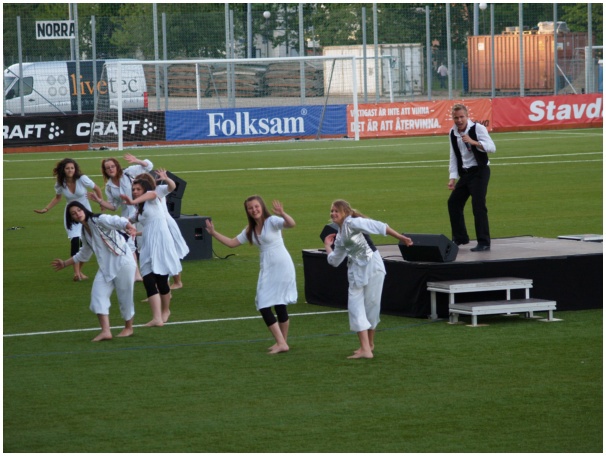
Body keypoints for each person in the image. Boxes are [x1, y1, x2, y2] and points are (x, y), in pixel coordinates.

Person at [205, 196, 297, 355]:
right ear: (247, 211)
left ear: (262, 206)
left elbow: (291, 224)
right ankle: (281, 342)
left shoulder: (272, 221)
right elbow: (232, 243)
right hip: (267, 267)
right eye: (250, 208)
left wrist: (282, 213)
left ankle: (282, 342)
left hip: (282, 265)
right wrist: (213, 233)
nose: (254, 210)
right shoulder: (250, 230)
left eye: (256, 206)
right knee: (266, 302)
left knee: (275, 303)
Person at [323, 199, 413, 359]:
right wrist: (327, 246)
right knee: (355, 306)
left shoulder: (353, 223)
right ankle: (366, 348)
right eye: (332, 211)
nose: (333, 213)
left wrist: (401, 237)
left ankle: (368, 346)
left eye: (336, 211)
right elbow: (335, 261)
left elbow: (379, 226)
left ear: (345, 212)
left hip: (372, 266)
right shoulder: (340, 236)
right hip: (356, 272)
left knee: (372, 305)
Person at [51, 201, 138, 342]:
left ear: (84, 209)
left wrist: (129, 226)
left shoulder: (99, 219)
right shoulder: (84, 231)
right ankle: (106, 331)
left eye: (79, 210)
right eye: (73, 213)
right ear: (71, 218)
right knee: (98, 295)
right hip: (105, 267)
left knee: (125, 297)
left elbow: (116, 220)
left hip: (123, 262)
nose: (77, 214)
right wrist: (65, 263)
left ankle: (128, 328)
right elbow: (84, 253)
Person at [121, 169, 182, 327]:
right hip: (148, 244)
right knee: (148, 279)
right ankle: (156, 318)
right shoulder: (139, 209)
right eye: (133, 189)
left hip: (161, 242)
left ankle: (166, 311)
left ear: (145, 189)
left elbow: (164, 189)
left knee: (161, 280)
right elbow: (128, 220)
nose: (135, 191)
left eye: (138, 189)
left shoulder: (154, 198)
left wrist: (166, 179)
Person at [88, 154, 154, 281]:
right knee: (130, 244)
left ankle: (154, 272)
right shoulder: (109, 186)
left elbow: (149, 166)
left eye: (112, 166)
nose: (111, 169)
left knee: (146, 242)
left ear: (117, 167)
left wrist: (136, 160)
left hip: (142, 212)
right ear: (105, 171)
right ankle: (137, 274)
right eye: (108, 168)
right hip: (127, 217)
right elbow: (113, 206)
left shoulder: (128, 173)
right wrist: (99, 201)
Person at [35, 158, 103, 282]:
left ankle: (79, 271)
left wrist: (101, 202)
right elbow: (57, 198)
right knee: (75, 240)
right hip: (71, 215)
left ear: (75, 169)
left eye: (72, 168)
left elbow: (97, 188)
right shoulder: (60, 183)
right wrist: (46, 209)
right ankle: (76, 273)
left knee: (88, 243)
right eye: (67, 168)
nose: (70, 170)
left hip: (85, 214)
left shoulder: (82, 179)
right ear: (63, 170)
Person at [447, 103, 496, 252]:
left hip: (480, 171)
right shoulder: (452, 132)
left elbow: (492, 147)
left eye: (462, 117)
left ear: (467, 116)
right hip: (466, 173)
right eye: (456, 118)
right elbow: (453, 156)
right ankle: (460, 237)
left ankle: (484, 242)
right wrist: (452, 177)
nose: (459, 120)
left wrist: (473, 142)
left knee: (478, 205)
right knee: (453, 202)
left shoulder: (477, 128)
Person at [135, 172, 189, 290]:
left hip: (164, 224)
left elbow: (172, 187)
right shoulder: (140, 197)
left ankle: (168, 286)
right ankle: (164, 289)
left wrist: (166, 178)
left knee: (165, 254)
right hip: (154, 224)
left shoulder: (157, 190)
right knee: (163, 254)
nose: (135, 190)